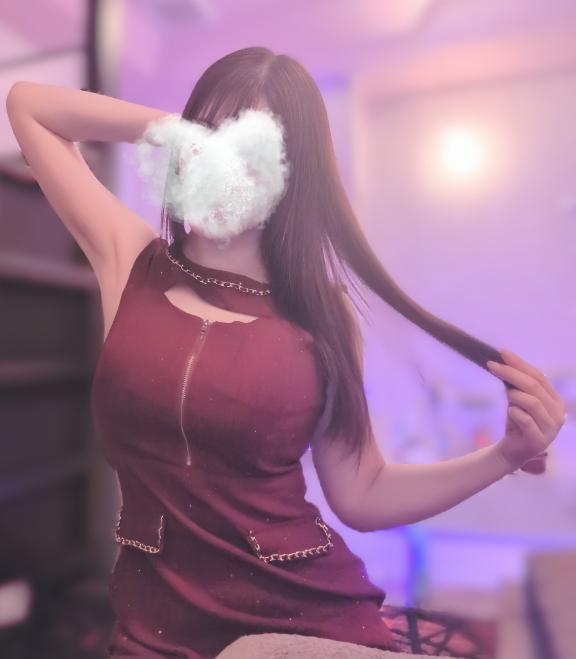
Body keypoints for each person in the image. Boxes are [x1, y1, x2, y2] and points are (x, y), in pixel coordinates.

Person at [5, 47, 567, 658]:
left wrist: (505, 456)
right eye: (204, 142)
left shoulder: (322, 317)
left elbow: (363, 492)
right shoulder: (130, 260)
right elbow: (29, 107)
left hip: (296, 621)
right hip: (151, 631)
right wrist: (172, 127)